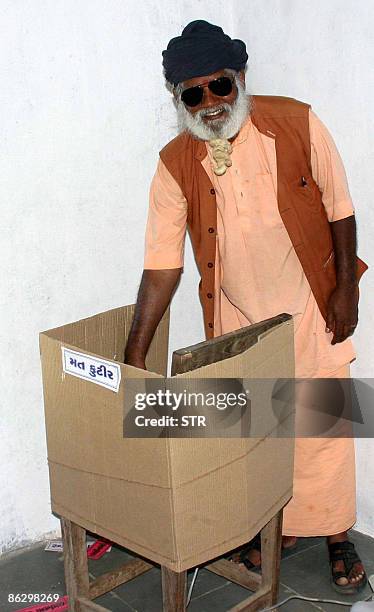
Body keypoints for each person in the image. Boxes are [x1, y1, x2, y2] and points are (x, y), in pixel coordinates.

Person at [124, 20, 368, 594]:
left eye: (220, 87)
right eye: (193, 93)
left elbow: (341, 207)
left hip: (310, 302)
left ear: (240, 79)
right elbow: (162, 264)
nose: (209, 103)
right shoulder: (174, 163)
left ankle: (336, 535)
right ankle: (273, 527)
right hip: (238, 317)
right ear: (178, 98)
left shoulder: (297, 121)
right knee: (259, 426)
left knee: (323, 425)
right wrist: (136, 353)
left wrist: (346, 290)